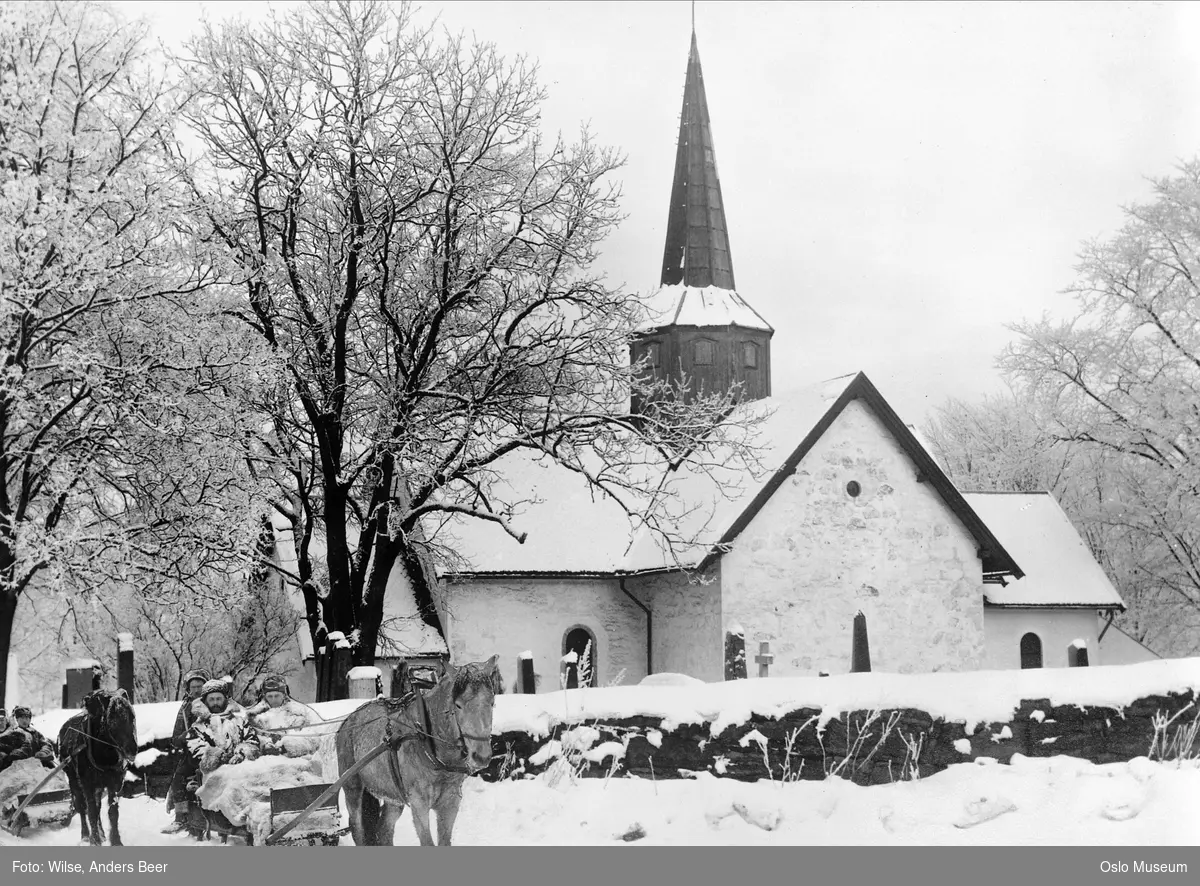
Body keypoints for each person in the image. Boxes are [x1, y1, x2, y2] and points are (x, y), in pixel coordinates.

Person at [161, 668, 212, 835]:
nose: (197, 689)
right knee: (179, 778)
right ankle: (181, 817)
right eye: (193, 687)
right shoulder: (185, 707)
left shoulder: (214, 701)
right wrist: (182, 739)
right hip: (192, 751)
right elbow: (177, 734)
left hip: (214, 749)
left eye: (200, 686)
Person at [244, 675, 322, 757]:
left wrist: (285, 747)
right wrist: (263, 745)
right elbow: (248, 740)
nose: (273, 700)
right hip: (263, 764)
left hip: (294, 764)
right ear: (264, 697)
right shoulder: (254, 717)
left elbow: (313, 740)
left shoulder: (298, 713)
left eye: (277, 696)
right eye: (270, 696)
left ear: (284, 695)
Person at [0, 706, 55, 773]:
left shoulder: (35, 733)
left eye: (27, 718)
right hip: (15, 767)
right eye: (22, 718)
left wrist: (43, 752)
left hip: (35, 766)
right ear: (17, 719)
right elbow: (3, 747)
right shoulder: (11, 733)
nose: (24, 720)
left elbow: (46, 744)